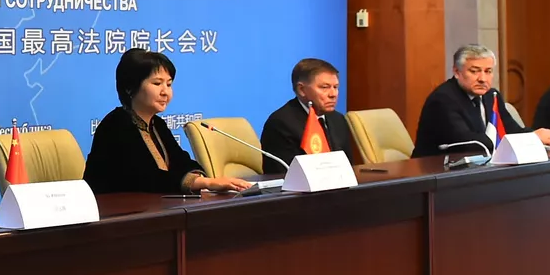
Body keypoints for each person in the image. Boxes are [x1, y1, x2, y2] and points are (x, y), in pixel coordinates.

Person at [84, 49, 255, 195]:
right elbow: (144, 178)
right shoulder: (115, 125)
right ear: (130, 88)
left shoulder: (157, 124)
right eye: (157, 83)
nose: (165, 92)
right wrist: (205, 183)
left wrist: (202, 179)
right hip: (116, 215)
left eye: (169, 84)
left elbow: (182, 162)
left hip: (154, 209)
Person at [413, 44, 550, 157]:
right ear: (457, 72)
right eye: (474, 71)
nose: (483, 79)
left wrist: (546, 134)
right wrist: (531, 138)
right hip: (435, 173)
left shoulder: (491, 95)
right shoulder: (443, 99)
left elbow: (511, 130)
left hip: (478, 168)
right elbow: (469, 142)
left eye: (488, 71)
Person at [259, 57, 361, 167]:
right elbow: (283, 172)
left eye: (335, 87)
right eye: (324, 87)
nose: (333, 94)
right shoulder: (281, 123)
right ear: (302, 90)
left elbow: (349, 166)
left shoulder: (338, 119)